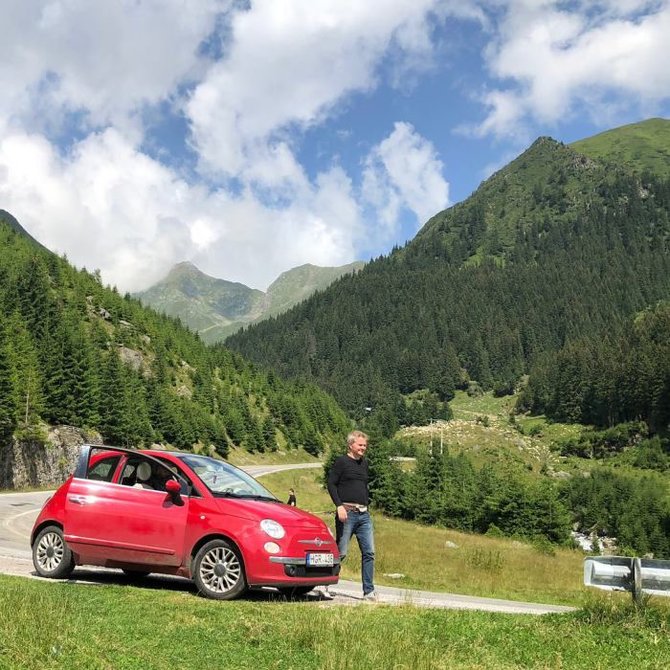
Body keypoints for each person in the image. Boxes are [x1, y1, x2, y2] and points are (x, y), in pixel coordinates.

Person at [327, 430, 376, 601]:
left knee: (369, 552)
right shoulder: (341, 462)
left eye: (365, 445)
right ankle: (325, 583)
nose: (364, 447)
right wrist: (339, 506)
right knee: (341, 552)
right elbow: (331, 484)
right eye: (360, 445)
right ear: (351, 445)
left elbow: (363, 486)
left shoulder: (364, 463)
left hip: (364, 515)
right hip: (346, 514)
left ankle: (369, 591)